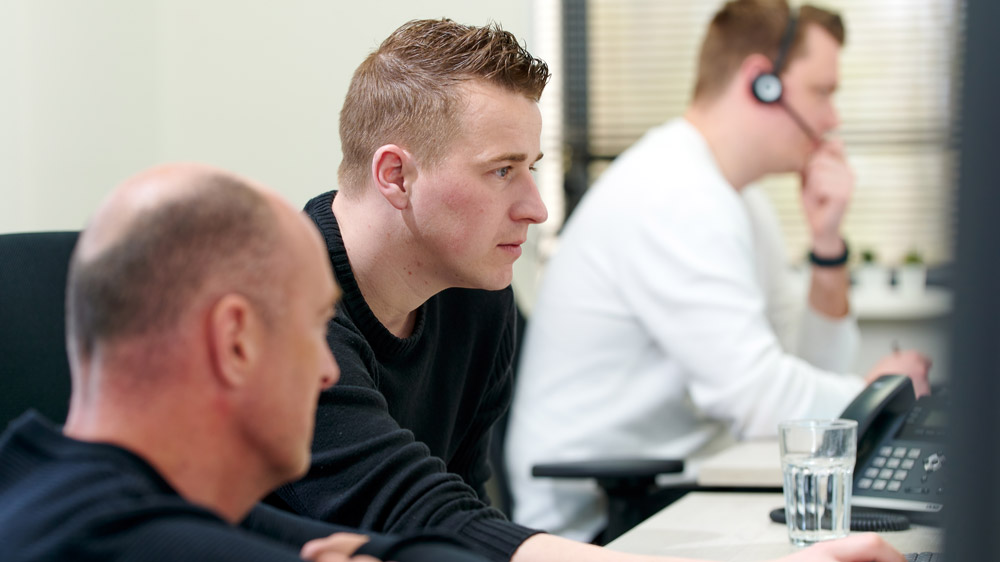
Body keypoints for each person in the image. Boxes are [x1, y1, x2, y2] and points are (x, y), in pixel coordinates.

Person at [268, 16, 909, 562]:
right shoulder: (288, 306)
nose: (537, 208)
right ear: (396, 176)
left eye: (533, 169)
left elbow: (457, 507)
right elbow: (417, 510)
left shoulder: (474, 292)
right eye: (501, 171)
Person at [504, 0, 934, 542]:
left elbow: (797, 378)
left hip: (678, 486)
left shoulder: (737, 198)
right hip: (596, 523)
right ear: (763, 83)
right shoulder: (674, 191)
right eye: (823, 92)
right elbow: (763, 403)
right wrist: (875, 393)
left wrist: (827, 247)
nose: (832, 118)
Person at [0, 163, 489, 562]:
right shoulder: (126, 543)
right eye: (315, 326)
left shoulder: (41, 484)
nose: (328, 371)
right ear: (235, 341)